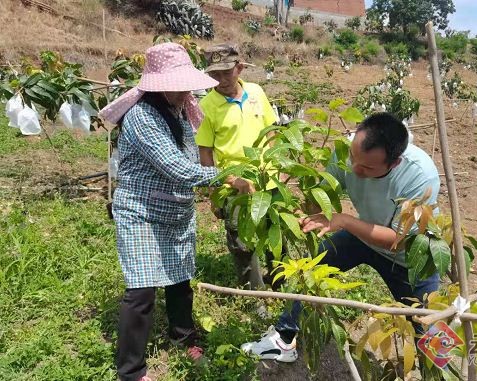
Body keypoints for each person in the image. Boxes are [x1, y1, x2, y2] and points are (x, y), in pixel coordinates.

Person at [99, 42, 252, 381]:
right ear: (160, 85)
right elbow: (177, 167)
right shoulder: (141, 116)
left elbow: (190, 156)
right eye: (179, 84)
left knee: (180, 280)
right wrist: (226, 177)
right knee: (141, 290)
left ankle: (184, 337)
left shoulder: (180, 109)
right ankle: (132, 370)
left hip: (175, 211)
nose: (186, 90)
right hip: (142, 211)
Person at [240, 112, 441, 362]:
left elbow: (396, 240)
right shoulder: (346, 150)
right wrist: (296, 208)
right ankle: (283, 340)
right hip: (363, 236)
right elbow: (321, 195)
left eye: (367, 167)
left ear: (394, 163)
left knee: (430, 330)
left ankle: (437, 371)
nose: (354, 169)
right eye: (353, 158)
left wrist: (344, 220)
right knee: (309, 269)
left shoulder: (419, 176)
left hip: (410, 257)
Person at [195, 43, 278, 289]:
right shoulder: (206, 106)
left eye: (226, 72)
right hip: (234, 185)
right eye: (214, 74)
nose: (220, 79)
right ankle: (256, 295)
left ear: (239, 68)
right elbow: (205, 152)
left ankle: (280, 285)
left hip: (267, 179)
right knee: (242, 242)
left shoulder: (256, 92)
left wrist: (278, 169)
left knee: (275, 234)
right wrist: (217, 190)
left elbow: (271, 132)